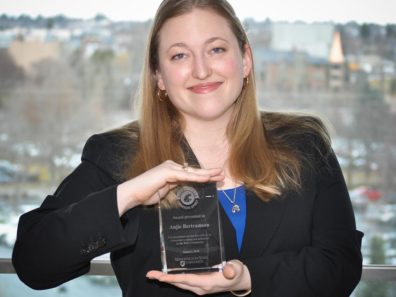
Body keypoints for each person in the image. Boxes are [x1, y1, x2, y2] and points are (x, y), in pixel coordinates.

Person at [12, 0, 363, 296]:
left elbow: (342, 265)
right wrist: (128, 195)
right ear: (159, 77)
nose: (200, 69)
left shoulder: (305, 144)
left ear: (245, 59)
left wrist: (247, 279)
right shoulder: (117, 155)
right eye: (179, 56)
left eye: (216, 49)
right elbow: (33, 263)